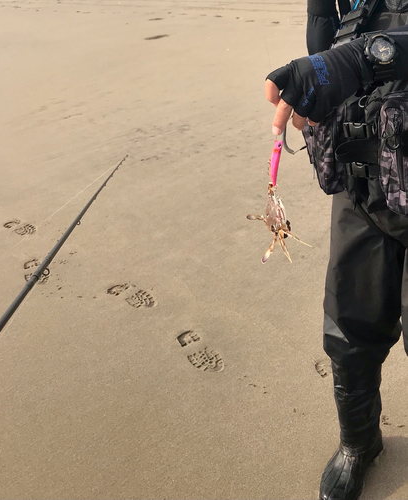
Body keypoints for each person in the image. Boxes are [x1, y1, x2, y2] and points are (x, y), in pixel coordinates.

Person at [265, 1, 408, 499]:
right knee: (348, 324)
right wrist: (310, 94)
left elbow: (352, 59)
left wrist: (360, 60)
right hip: (362, 183)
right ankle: (358, 443)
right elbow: (327, 55)